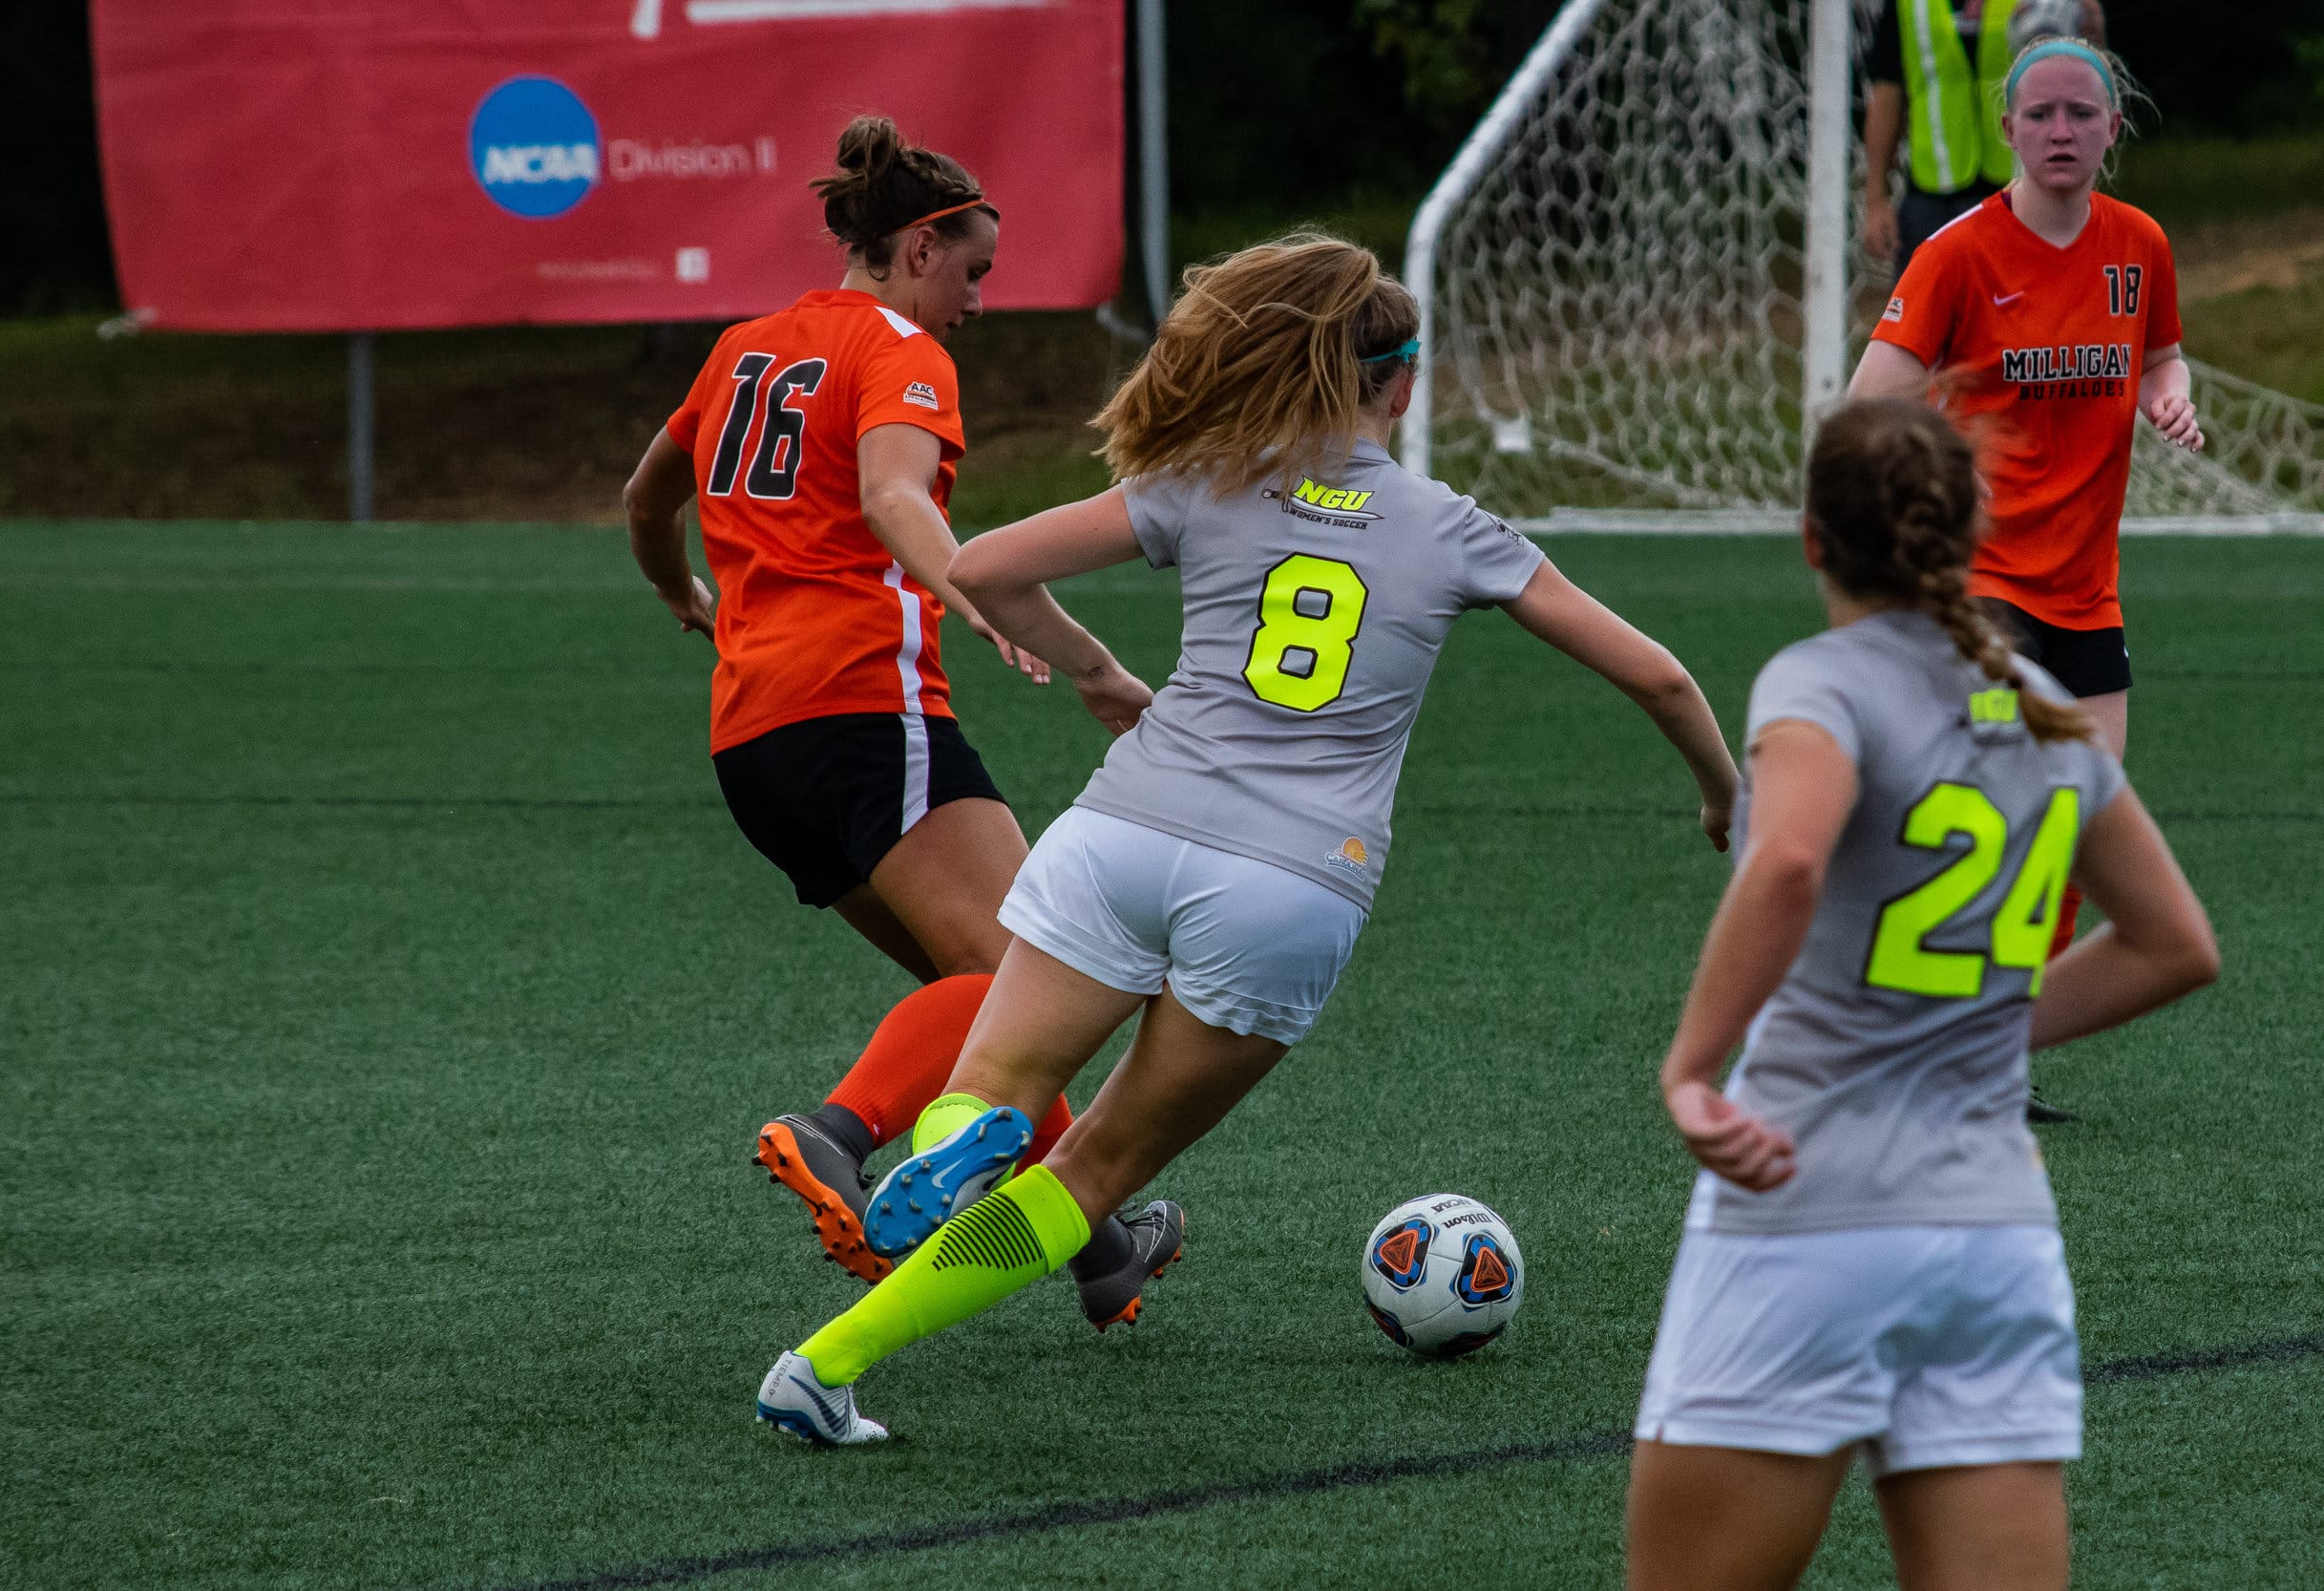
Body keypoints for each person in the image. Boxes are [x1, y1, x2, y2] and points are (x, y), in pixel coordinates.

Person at [751, 234, 1745, 1445]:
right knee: (1094, 1175)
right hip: (1287, 882)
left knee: (994, 1090)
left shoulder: (1213, 478)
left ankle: (951, 1156)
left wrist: (1099, 672)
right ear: (1403, 382)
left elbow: (990, 567)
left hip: (1123, 830)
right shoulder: (1452, 525)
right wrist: (1719, 797)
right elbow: (1661, 677)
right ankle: (825, 1364)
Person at [1623, 397, 2219, 1591]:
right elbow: (2172, 944)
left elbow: (1790, 855)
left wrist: (1690, 1069)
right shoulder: (2049, 712)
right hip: (1991, 1237)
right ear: (1973, 530)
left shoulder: (1819, 682)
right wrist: (1981, 1018)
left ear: (1811, 539)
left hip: (1806, 1214)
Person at [621, 116, 1085, 1283]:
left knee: (984, 1002)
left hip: (753, 745)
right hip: (866, 713)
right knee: (1047, 974)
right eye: (973, 270)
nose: (978, 302)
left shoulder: (742, 346)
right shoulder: (902, 351)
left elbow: (643, 499)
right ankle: (836, 1132)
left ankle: (1101, 1243)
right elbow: (892, 493)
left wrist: (681, 588)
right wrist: (967, 586)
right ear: (922, 244)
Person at [1849, 35, 2198, 1117]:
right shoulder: (1956, 254)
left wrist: (2169, 394)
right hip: (1982, 587)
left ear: (2111, 129)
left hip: (2087, 592)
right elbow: (1868, 404)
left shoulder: (2137, 243)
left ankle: (1978, 1053)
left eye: (2077, 115)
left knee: (2074, 832)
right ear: (2006, 128)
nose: (2057, 131)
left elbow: (2158, 352)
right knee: (1993, 829)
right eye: (2038, 114)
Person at [1862, 1, 2107, 276]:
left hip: (2023, 192)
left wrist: (2093, 34)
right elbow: (1886, 95)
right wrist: (1875, 201)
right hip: (1931, 196)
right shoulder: (1909, 5)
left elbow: (2083, 81)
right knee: (1924, 315)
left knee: (2031, 311)